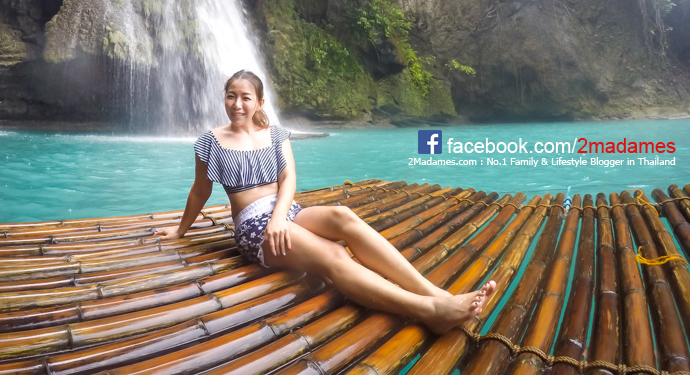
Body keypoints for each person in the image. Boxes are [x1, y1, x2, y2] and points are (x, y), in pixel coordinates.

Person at [157, 70, 496, 333]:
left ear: (259, 102)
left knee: (343, 216)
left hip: (285, 212)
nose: (237, 104)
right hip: (253, 227)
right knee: (334, 255)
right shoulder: (211, 141)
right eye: (231, 96)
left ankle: (436, 293)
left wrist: (279, 217)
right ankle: (429, 311)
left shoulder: (275, 134)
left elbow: (288, 178)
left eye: (245, 97)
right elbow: (200, 191)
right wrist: (180, 231)